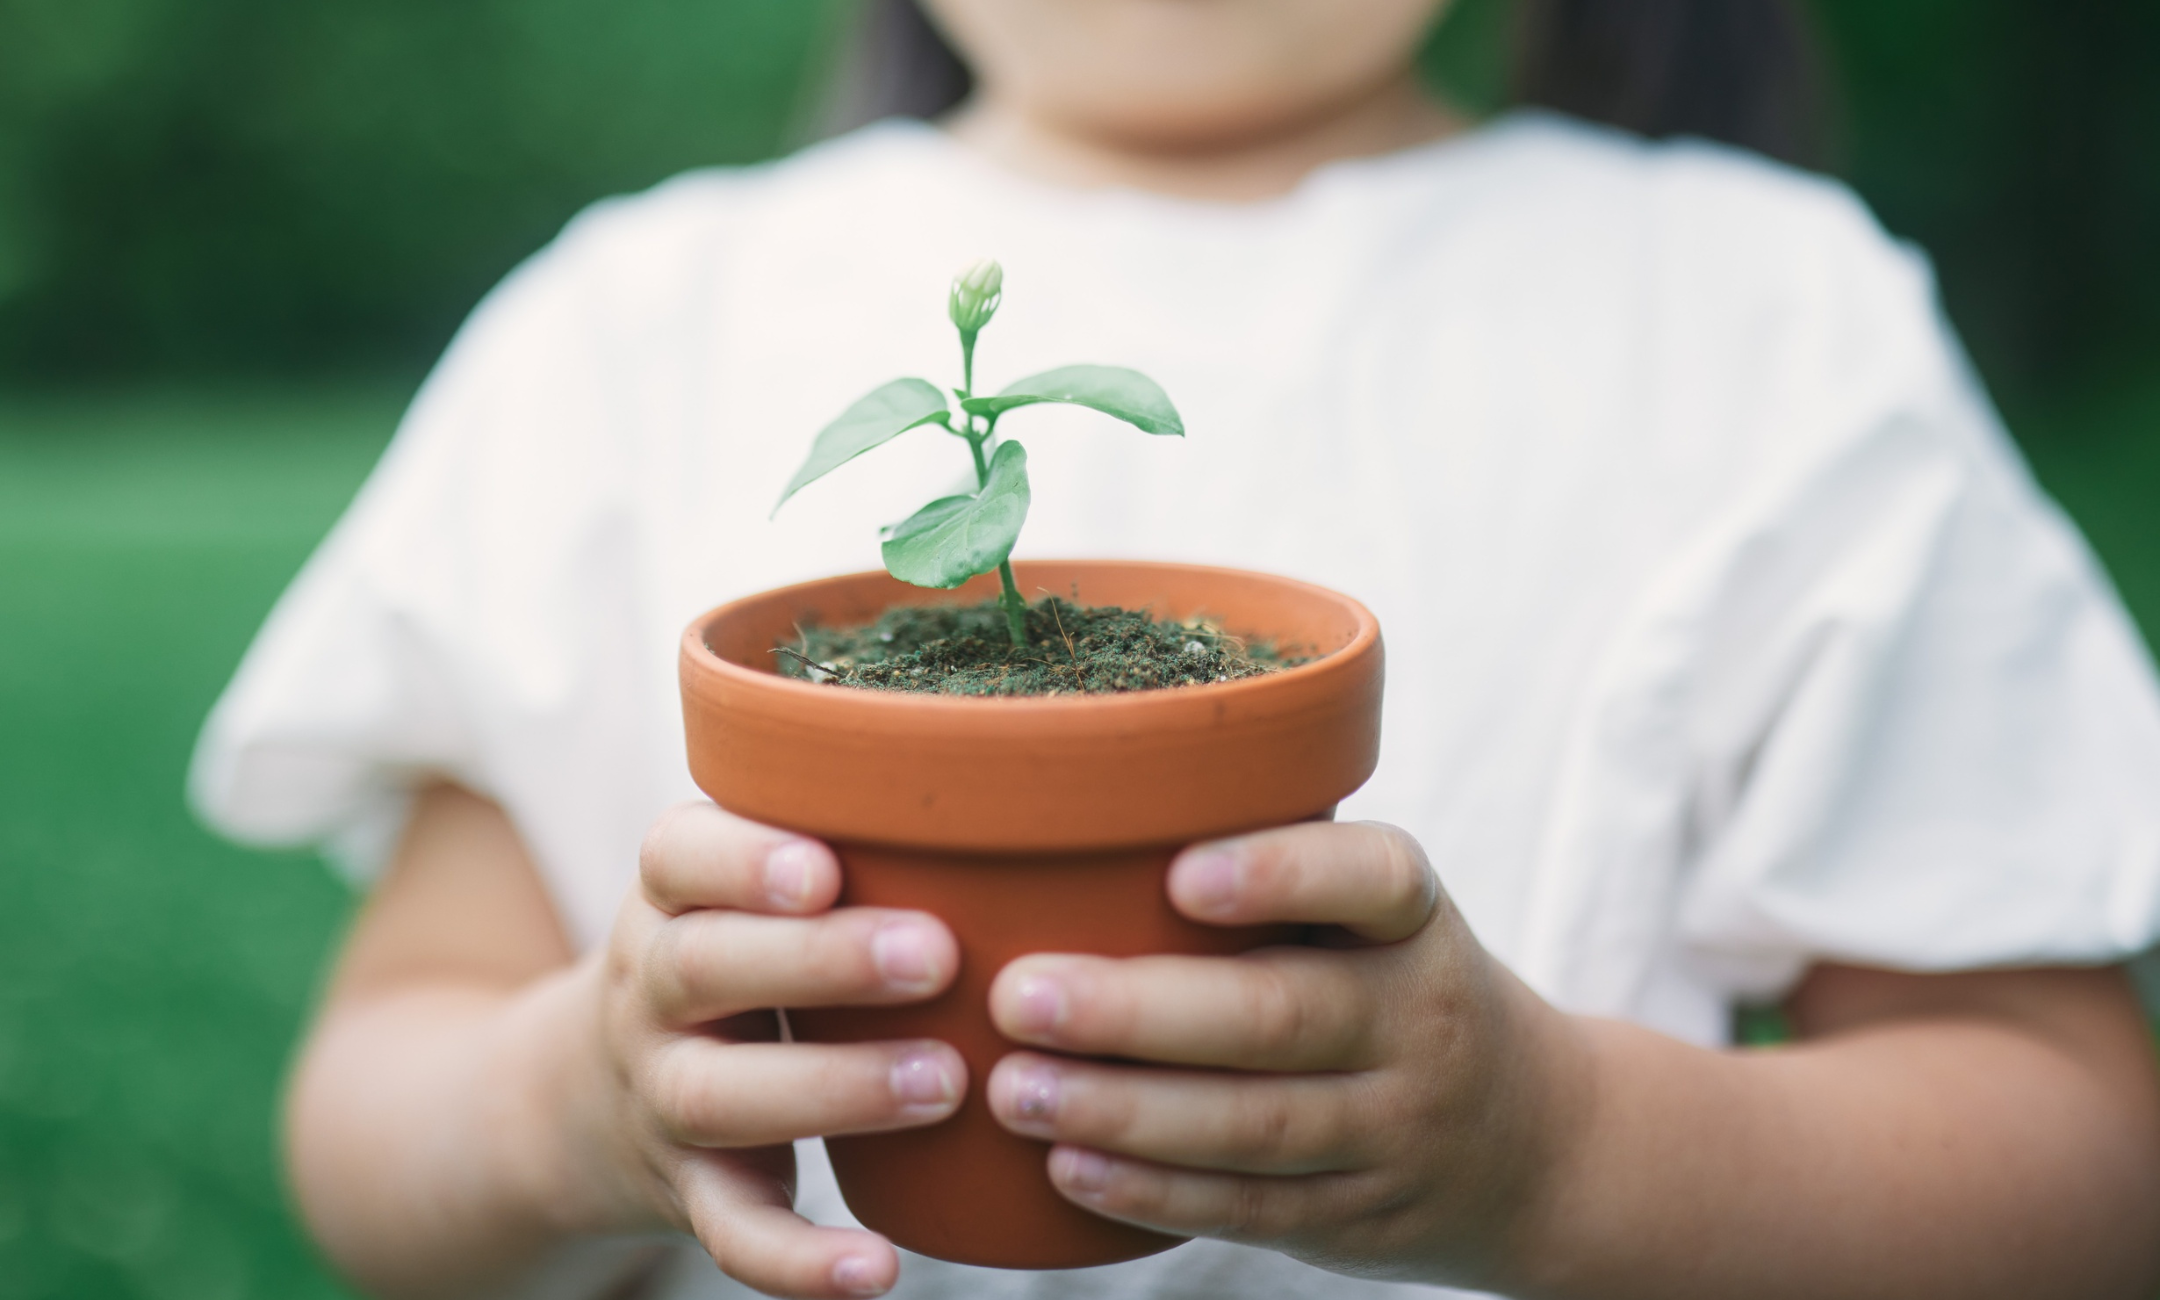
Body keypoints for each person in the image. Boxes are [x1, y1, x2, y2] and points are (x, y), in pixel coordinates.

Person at [191, 0, 2160, 1297]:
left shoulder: (1759, 317)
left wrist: (1560, 1146)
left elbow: (2079, 1168)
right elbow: (377, 1100)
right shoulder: (631, 327)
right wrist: (569, 1096)